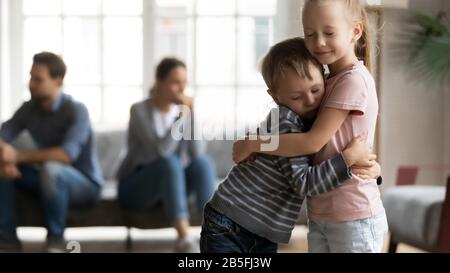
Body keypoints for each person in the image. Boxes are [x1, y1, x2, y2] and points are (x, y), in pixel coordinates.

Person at [232, 0, 388, 253]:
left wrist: (254, 143)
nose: (319, 43)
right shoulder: (325, 83)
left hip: (352, 211)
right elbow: (312, 139)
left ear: (355, 31)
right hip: (322, 211)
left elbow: (312, 141)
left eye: (329, 33)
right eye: (309, 34)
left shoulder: (353, 81)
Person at [200, 37, 380, 253]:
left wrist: (375, 170)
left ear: (324, 77)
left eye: (315, 90)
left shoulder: (312, 119)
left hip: (258, 228)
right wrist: (347, 160)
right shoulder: (287, 123)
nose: (310, 101)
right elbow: (305, 183)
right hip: (232, 224)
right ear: (275, 96)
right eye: (296, 96)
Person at [0, 52, 103, 253]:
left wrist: (17, 156)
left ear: (58, 81)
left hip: (84, 183)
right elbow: (4, 134)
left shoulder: (76, 110)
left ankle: (55, 241)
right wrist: (5, 158)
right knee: (2, 170)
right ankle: (7, 239)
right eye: (30, 77)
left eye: (38, 79)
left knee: (52, 169)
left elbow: (66, 155)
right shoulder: (29, 109)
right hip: (46, 179)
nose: (31, 83)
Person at [116, 57, 217, 253]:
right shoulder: (139, 110)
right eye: (175, 82)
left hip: (169, 187)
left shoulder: (183, 111)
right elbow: (160, 152)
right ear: (159, 82)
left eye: (184, 83)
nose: (181, 89)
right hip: (136, 187)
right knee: (170, 163)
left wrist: (191, 114)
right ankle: (184, 239)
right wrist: (181, 118)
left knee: (203, 163)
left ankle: (215, 234)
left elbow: (197, 152)